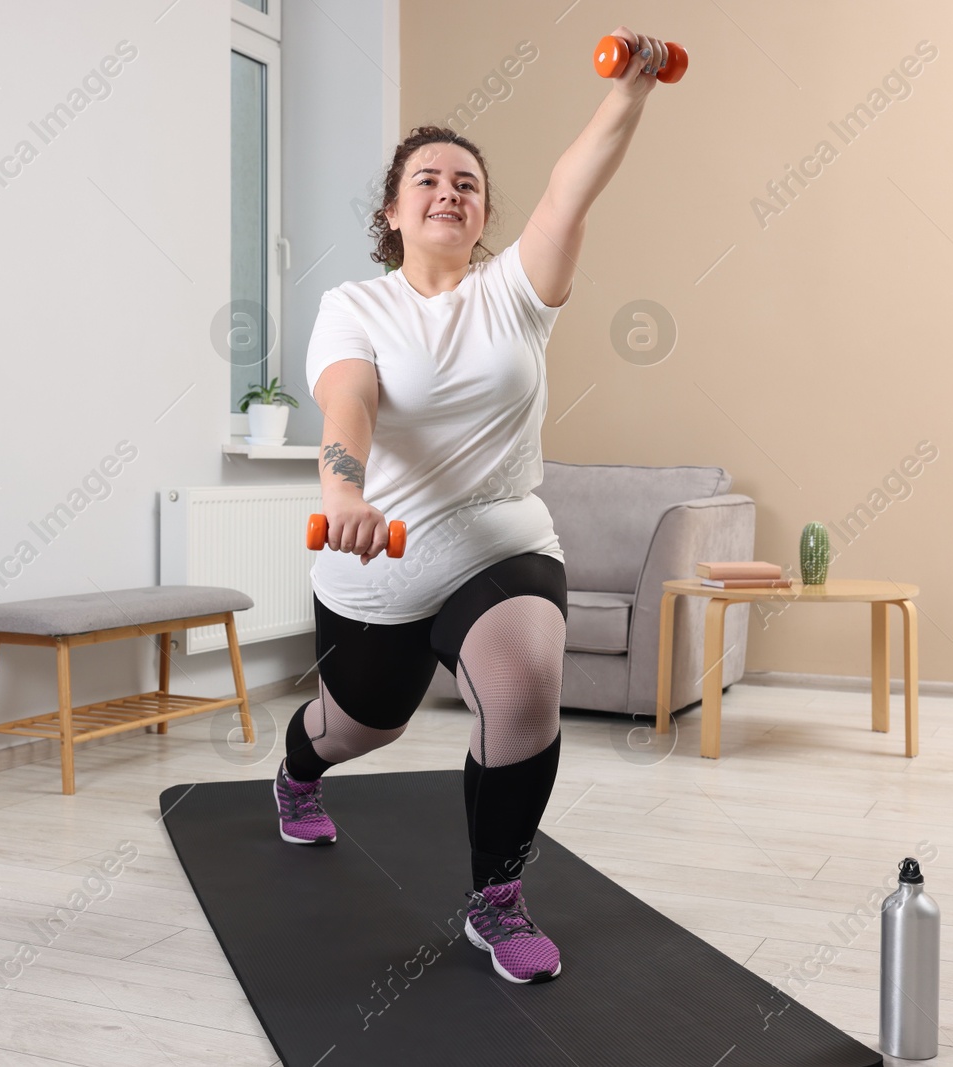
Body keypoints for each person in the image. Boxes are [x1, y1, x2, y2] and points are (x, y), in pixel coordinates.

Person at [275, 26, 670, 985]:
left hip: (500, 534)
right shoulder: (356, 306)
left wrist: (634, 88)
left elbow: (570, 189)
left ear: (485, 212)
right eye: (429, 181)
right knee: (363, 724)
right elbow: (350, 402)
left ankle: (496, 895)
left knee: (526, 687)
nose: (450, 192)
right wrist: (344, 491)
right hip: (377, 556)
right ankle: (298, 771)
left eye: (467, 184)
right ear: (392, 212)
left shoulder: (517, 295)